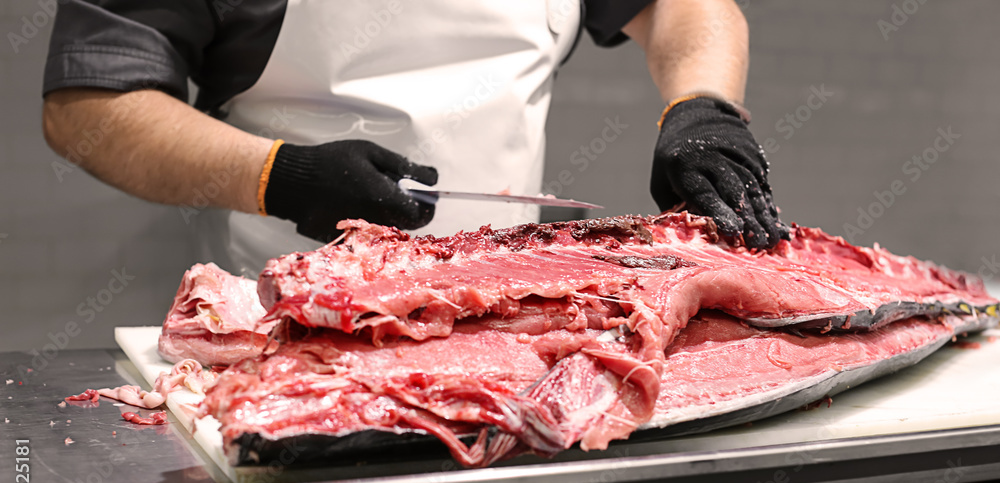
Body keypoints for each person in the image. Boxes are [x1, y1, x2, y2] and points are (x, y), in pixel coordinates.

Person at [42, 0, 785, 277]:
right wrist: (279, 176)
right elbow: (89, 105)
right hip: (282, 323)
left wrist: (702, 105)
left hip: (506, 319)